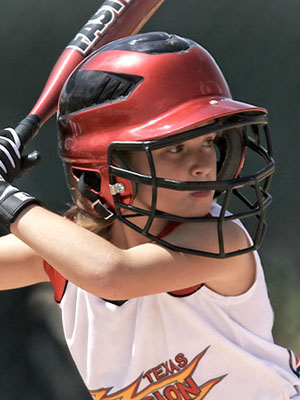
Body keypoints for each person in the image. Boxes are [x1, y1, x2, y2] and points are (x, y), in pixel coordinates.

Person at [0, 32, 299, 399]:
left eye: (208, 141)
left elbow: (113, 274)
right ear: (109, 166)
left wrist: (6, 197)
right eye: (175, 147)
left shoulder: (220, 237)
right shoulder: (71, 251)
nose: (204, 163)